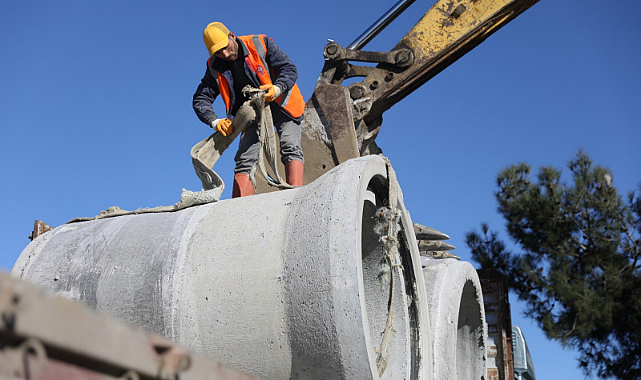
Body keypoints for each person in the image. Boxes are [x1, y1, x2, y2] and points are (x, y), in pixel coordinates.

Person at [193, 22, 305, 198]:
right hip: (252, 111)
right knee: (245, 160)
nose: (224, 54)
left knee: (290, 146)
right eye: (218, 51)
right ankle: (238, 209)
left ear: (231, 35)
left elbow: (288, 69)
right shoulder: (215, 65)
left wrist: (277, 88)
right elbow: (201, 98)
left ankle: (296, 197)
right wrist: (215, 122)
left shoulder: (259, 43)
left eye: (225, 47)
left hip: (282, 104)